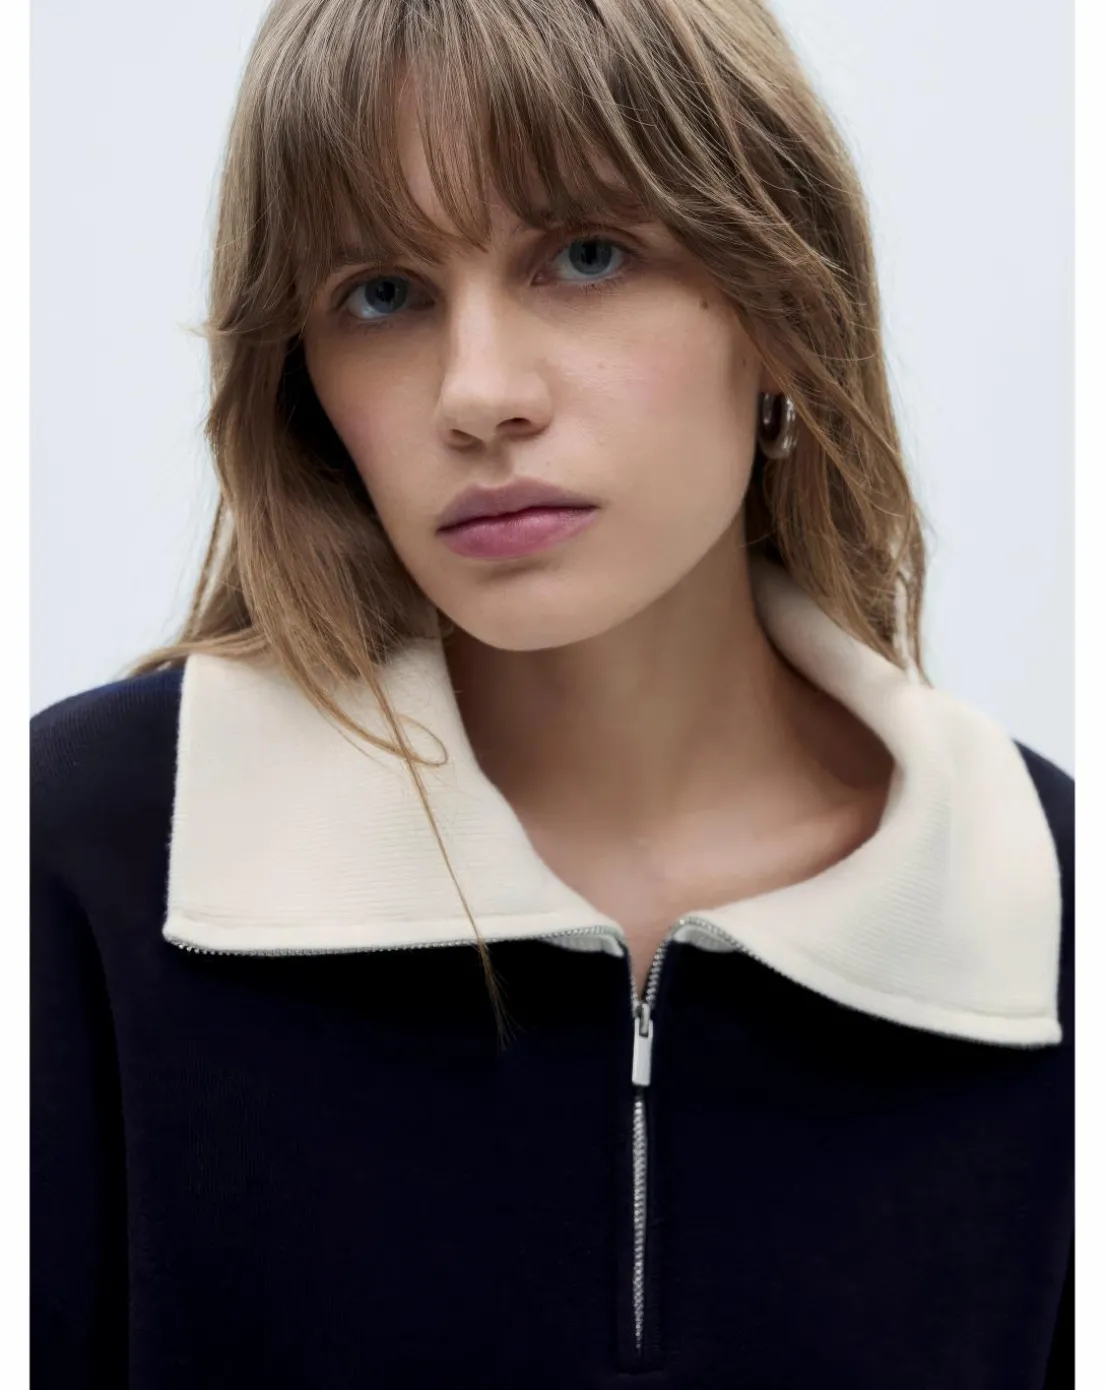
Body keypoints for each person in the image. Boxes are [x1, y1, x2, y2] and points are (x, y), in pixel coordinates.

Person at [30, 0, 1073, 1385]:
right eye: (381, 294)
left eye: (586, 255)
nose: (478, 393)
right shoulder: (80, 861)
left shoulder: (1049, 913)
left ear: (784, 302)